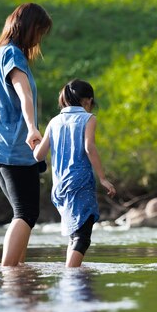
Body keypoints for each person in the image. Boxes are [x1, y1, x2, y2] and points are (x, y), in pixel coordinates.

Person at [0, 2, 52, 266]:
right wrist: (32, 128)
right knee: (26, 213)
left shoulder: (0, 53)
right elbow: (25, 94)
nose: (39, 39)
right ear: (28, 28)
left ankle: (18, 270)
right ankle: (9, 270)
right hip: (12, 147)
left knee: (23, 213)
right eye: (39, 32)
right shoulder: (13, 55)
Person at [33, 79, 116, 267]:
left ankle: (71, 280)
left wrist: (34, 141)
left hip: (60, 187)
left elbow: (38, 155)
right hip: (80, 182)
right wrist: (102, 178)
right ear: (88, 101)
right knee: (83, 237)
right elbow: (89, 146)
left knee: (74, 235)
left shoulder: (54, 121)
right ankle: (71, 273)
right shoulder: (88, 118)